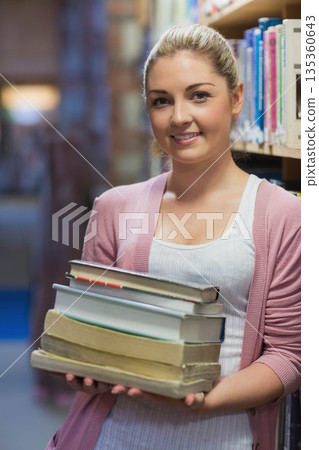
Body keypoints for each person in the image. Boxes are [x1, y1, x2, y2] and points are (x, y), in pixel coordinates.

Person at [45, 24, 300, 450]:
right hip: (113, 437)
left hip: (226, 436)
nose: (179, 116)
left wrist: (202, 402)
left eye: (199, 95)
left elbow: (290, 356)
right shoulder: (114, 208)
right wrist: (81, 364)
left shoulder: (284, 214)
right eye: (161, 101)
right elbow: (89, 330)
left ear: (236, 99)